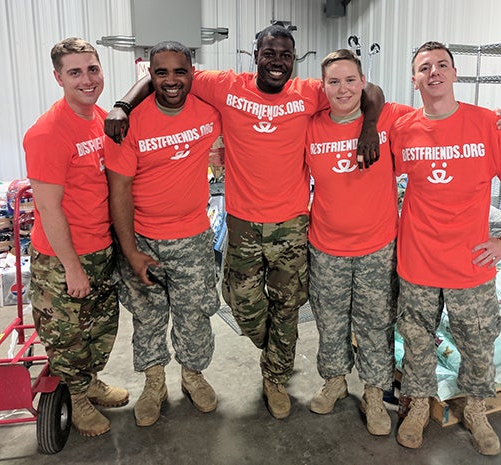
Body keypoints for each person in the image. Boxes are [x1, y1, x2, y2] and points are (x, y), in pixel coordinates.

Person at [105, 24, 385, 420]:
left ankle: (275, 377)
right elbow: (163, 77)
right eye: (269, 53)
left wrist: (370, 126)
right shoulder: (225, 86)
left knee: (287, 307)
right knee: (244, 306)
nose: (276, 62)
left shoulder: (309, 93)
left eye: (285, 55)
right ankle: (269, 351)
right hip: (242, 223)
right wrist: (123, 105)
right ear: (255, 55)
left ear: (294, 60)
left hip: (291, 224)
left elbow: (368, 91)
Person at [305, 49, 501, 437]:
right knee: (330, 323)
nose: (343, 88)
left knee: (377, 326)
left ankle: (374, 393)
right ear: (323, 87)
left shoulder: (392, 119)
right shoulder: (311, 125)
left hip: (378, 245)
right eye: (334, 81)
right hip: (327, 246)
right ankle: (336, 381)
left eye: (352, 80)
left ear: (363, 82)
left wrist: (499, 124)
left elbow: (408, 106)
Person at [389, 41, 501, 455]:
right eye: (424, 67)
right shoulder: (402, 129)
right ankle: (416, 406)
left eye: (442, 65)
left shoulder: (487, 123)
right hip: (418, 259)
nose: (434, 72)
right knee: (416, 338)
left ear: (454, 74)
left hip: (471, 260)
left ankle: (476, 408)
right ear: (414, 81)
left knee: (478, 340)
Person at [104, 41, 222, 427]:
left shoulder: (209, 112)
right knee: (149, 316)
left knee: (194, 314)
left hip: (193, 238)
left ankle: (192, 376)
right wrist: (131, 251)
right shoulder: (128, 124)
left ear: (193, 72)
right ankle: (154, 384)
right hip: (144, 239)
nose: (171, 80)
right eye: (161, 72)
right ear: (149, 75)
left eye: (179, 71)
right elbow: (118, 191)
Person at [23, 37, 128, 438]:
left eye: (92, 69)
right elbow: (48, 209)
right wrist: (71, 267)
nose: (87, 79)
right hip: (63, 256)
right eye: (75, 72)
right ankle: (77, 396)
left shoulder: (100, 118)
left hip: (100, 247)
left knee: (99, 328)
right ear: (58, 78)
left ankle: (90, 382)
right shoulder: (48, 133)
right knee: (68, 336)